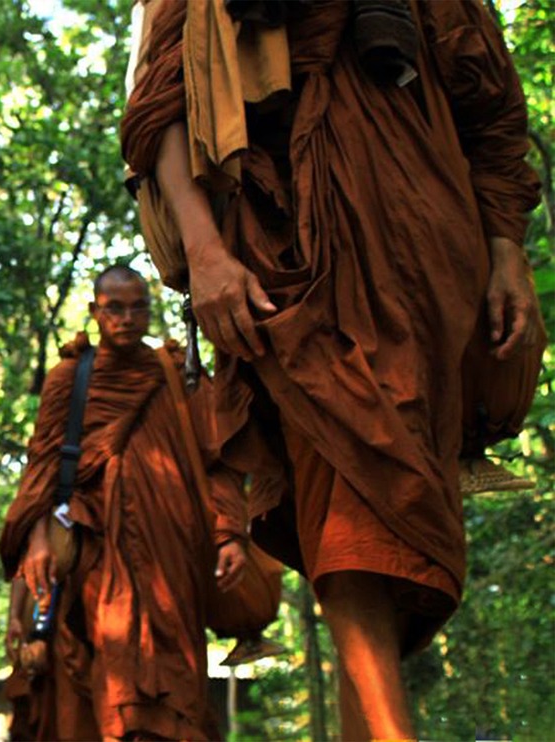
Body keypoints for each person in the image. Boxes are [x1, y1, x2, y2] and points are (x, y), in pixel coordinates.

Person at [120, 2, 545, 738]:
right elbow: (160, 106)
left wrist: (508, 251)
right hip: (288, 259)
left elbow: (490, 108)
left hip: (426, 266)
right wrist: (205, 252)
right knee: (343, 491)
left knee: (398, 520)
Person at [0, 265, 251, 741]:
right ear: (95, 311)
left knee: (177, 687)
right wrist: (35, 541)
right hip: (94, 560)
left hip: (173, 560)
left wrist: (229, 533)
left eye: (138, 307)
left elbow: (218, 461)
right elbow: (40, 472)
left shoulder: (178, 375)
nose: (127, 317)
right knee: (103, 686)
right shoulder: (69, 380)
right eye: (115, 307)